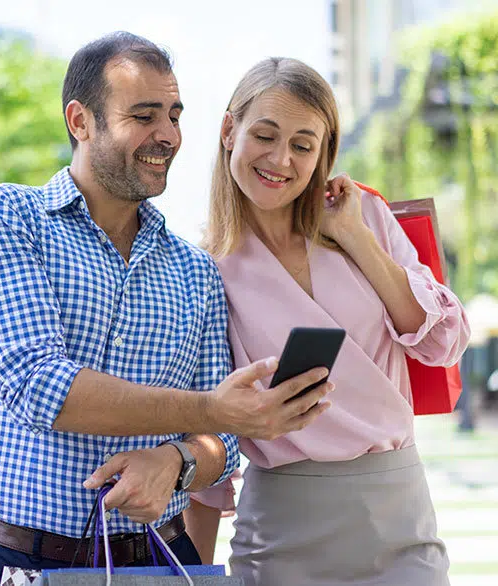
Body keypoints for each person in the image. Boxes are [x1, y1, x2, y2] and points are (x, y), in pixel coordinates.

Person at [0, 34, 332, 586]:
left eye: (174, 115)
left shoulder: (194, 270)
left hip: (157, 562)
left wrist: (175, 462)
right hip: (17, 563)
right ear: (80, 121)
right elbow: (38, 386)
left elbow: (223, 445)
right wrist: (213, 412)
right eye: (144, 115)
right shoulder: (9, 218)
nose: (168, 135)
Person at [185, 57, 470, 585]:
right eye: (264, 136)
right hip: (280, 538)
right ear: (229, 130)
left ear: (323, 152)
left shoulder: (366, 222)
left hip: (398, 523)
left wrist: (357, 238)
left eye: (302, 144)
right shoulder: (204, 270)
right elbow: (208, 431)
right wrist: (194, 574)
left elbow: (445, 342)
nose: (280, 159)